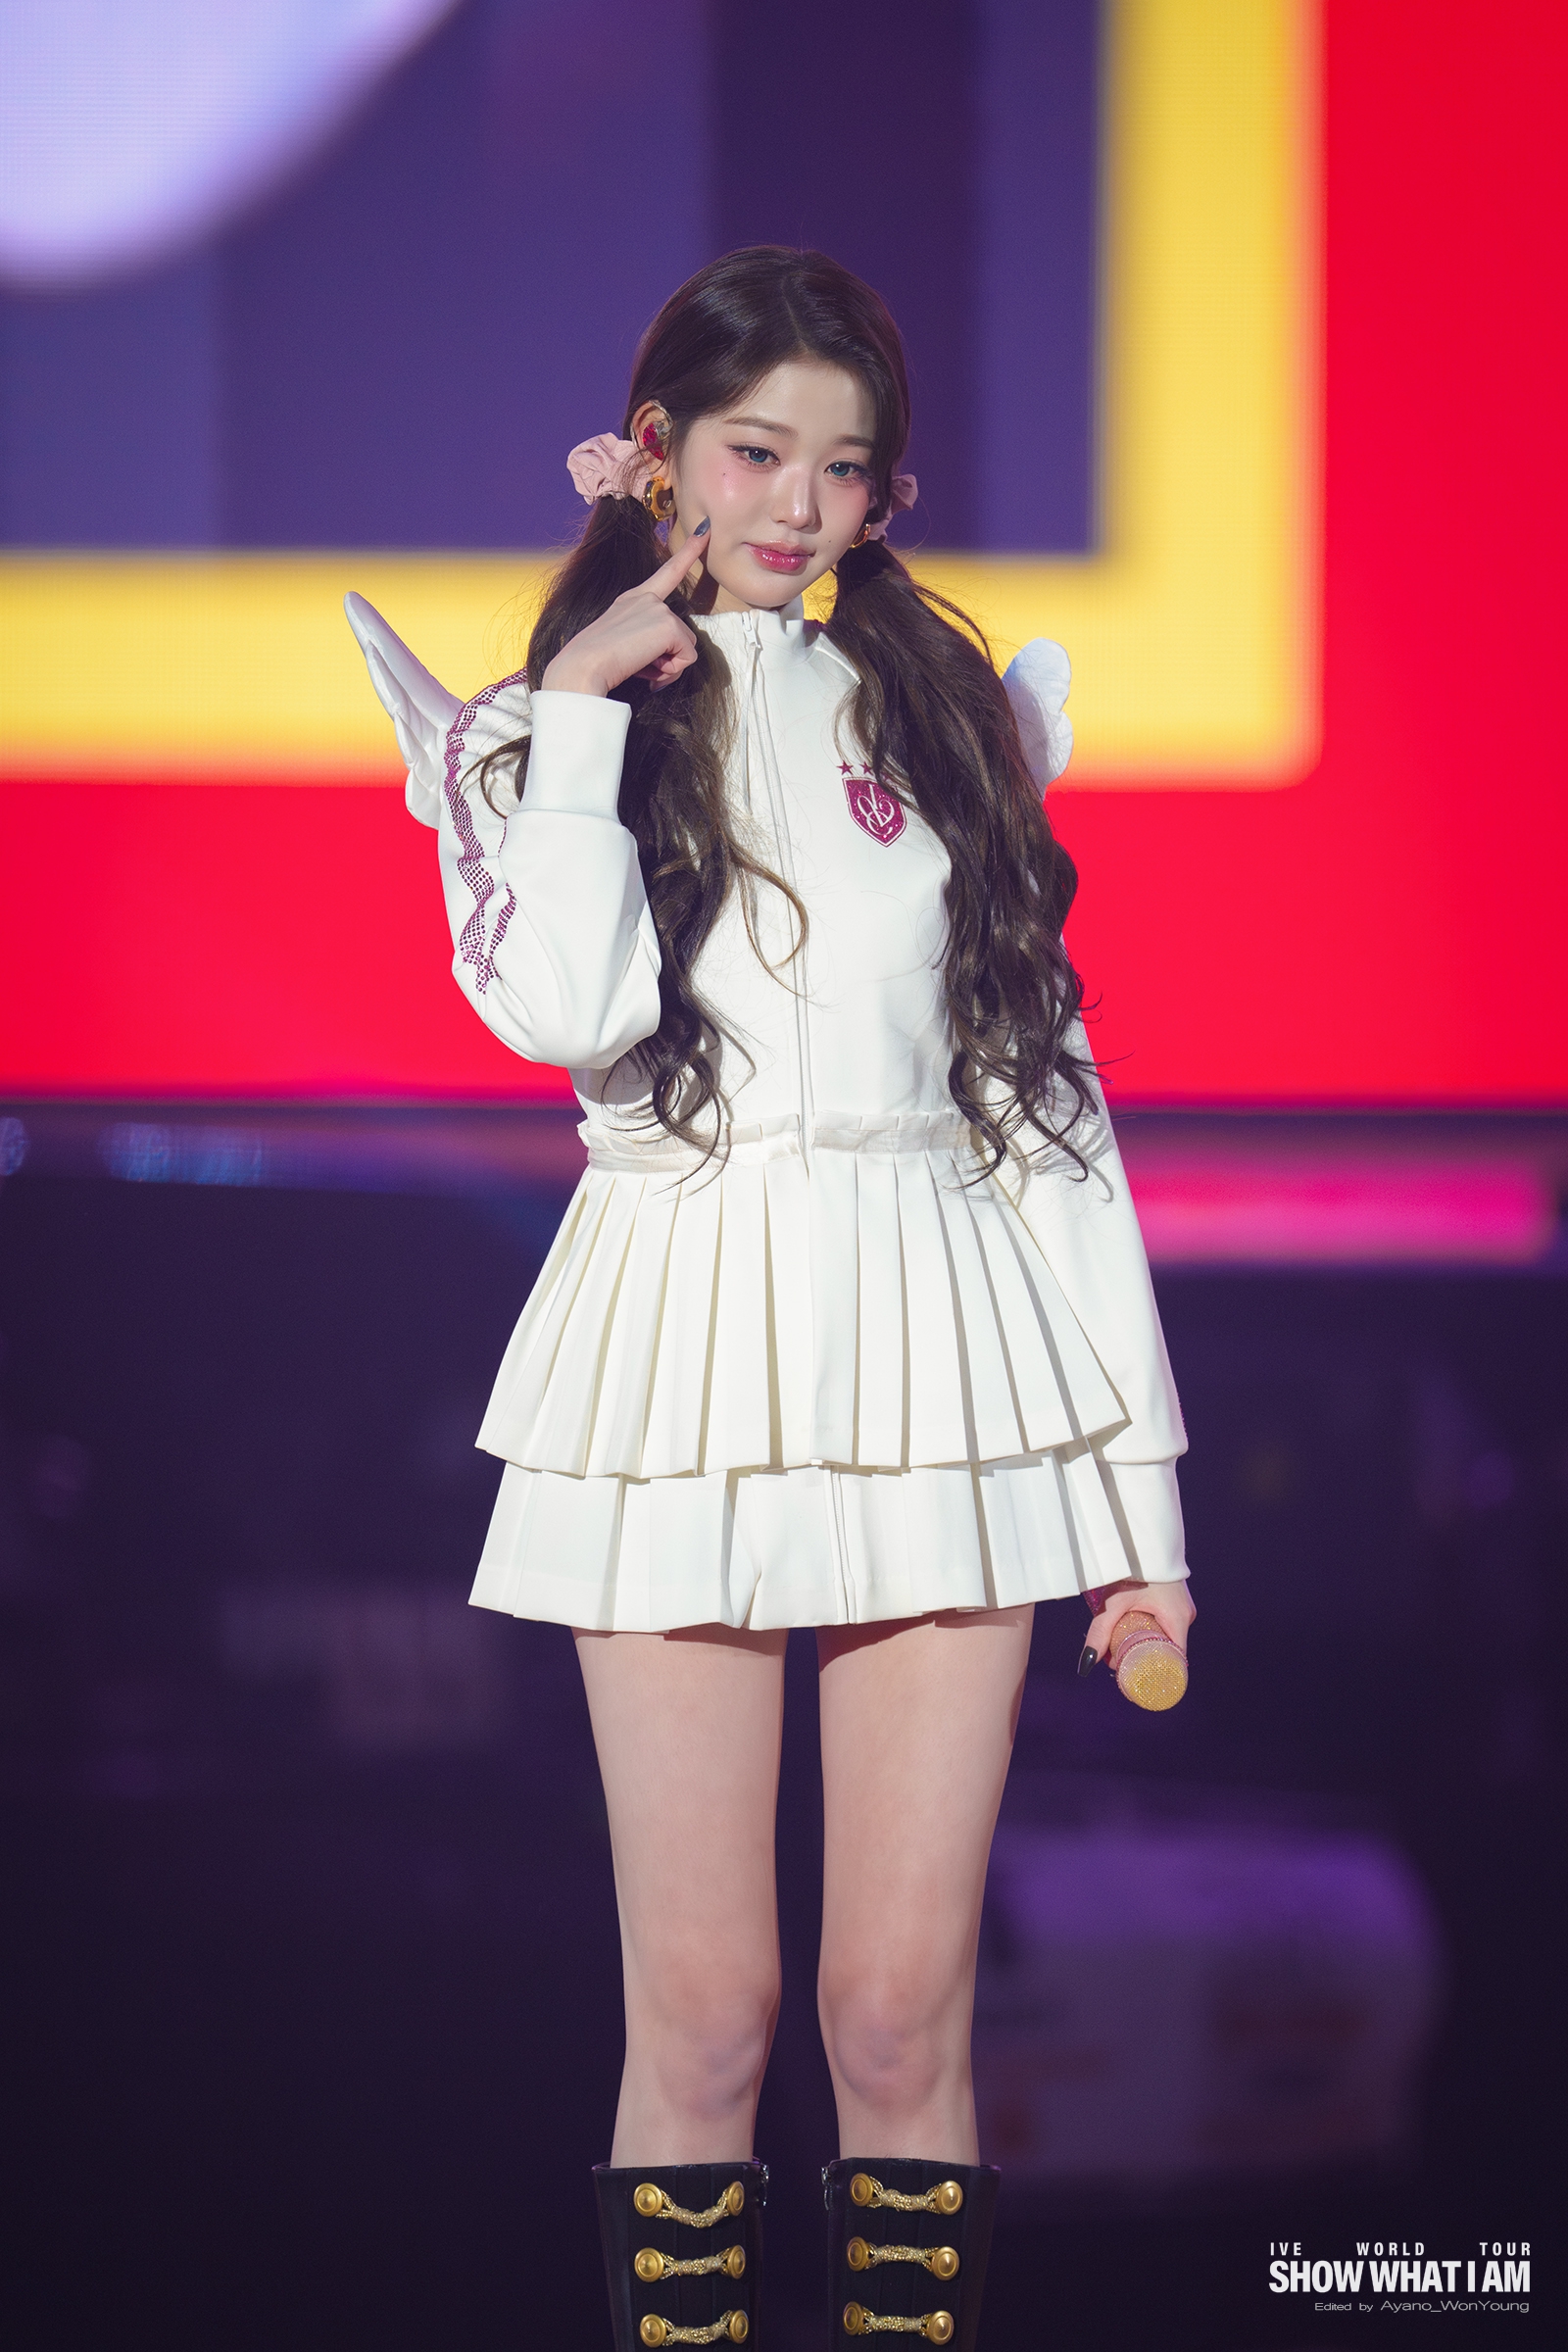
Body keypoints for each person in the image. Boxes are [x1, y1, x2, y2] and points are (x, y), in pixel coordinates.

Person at [349, 245, 1192, 2351]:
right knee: (707, 2012)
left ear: (886, 489)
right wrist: (572, 721)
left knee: (897, 2009)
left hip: (943, 1351)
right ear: (655, 456)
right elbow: (573, 1015)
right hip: (677, 1348)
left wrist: (1140, 1521)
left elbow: (1051, 1122)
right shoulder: (542, 739)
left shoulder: (949, 729)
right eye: (752, 453)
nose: (796, 505)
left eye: (841, 466)